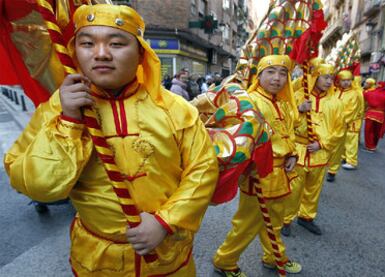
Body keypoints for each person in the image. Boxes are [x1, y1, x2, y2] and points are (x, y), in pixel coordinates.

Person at [4, 4, 219, 276]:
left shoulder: (175, 109)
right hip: (99, 261)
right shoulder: (55, 109)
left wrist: (165, 221)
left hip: (168, 254)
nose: (102, 54)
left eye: (117, 43)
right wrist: (69, 121)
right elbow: (40, 188)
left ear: (141, 53)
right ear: (74, 52)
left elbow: (203, 170)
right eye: (87, 43)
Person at [213, 55, 302, 277]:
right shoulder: (249, 101)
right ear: (259, 75)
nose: (277, 78)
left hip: (281, 173)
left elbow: (289, 134)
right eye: (270, 72)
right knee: (247, 223)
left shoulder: (283, 103)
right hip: (258, 173)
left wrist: (292, 154)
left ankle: (274, 257)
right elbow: (237, 136)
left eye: (283, 73)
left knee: (274, 221)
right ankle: (224, 261)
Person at [279, 63, 345, 236]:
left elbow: (339, 130)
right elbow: (284, 122)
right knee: (293, 189)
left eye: (332, 78)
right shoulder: (298, 96)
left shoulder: (335, 103)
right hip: (298, 151)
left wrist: (322, 144)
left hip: (320, 153)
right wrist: (299, 110)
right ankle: (286, 219)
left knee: (313, 189)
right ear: (315, 77)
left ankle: (306, 217)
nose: (330, 82)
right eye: (326, 77)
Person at [326, 70, 363, 181]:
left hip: (342, 124)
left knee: (339, 148)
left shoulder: (354, 94)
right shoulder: (335, 91)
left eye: (348, 80)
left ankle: (332, 171)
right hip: (331, 124)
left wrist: (338, 121)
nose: (346, 83)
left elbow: (351, 111)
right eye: (343, 80)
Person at [363, 81, 385, 152]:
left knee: (368, 131)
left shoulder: (369, 93)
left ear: (377, 85)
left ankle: (369, 146)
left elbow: (362, 97)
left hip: (370, 114)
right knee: (376, 132)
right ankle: (373, 146)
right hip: (380, 116)